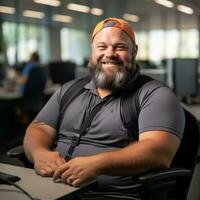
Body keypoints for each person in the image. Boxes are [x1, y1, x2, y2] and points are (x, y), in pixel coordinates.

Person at [23, 18, 185, 200]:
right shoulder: (70, 89)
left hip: (110, 195)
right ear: (92, 52)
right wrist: (39, 153)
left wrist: (98, 164)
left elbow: (158, 151)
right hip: (51, 189)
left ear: (135, 51)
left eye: (120, 47)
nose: (110, 53)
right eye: (102, 47)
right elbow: (39, 127)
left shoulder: (155, 94)